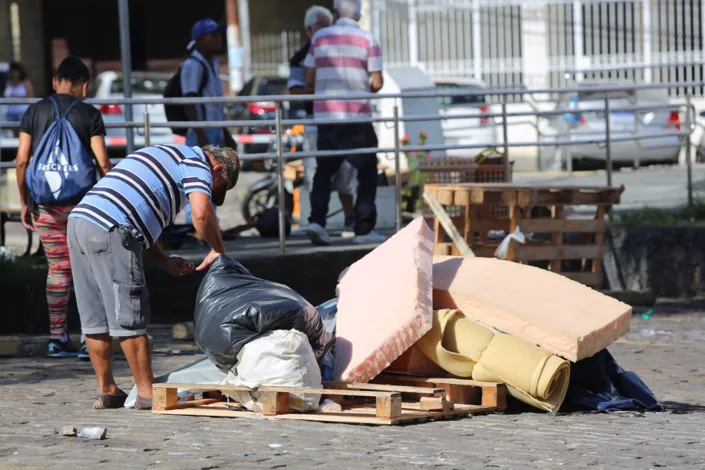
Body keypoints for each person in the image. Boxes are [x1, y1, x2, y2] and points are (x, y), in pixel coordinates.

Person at [67, 144, 240, 410]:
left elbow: (138, 220)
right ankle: (147, 393)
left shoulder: (166, 154)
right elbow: (201, 214)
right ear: (217, 169)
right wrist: (219, 249)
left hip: (80, 222)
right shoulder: (196, 163)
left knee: (95, 315)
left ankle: (108, 389)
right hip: (112, 227)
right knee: (129, 312)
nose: (209, 190)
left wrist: (163, 260)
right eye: (216, 186)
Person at [15, 56, 111, 359]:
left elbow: (21, 160)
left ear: (56, 82)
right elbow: (104, 162)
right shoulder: (89, 113)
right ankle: (89, 341)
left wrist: (24, 201)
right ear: (85, 85)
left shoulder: (34, 111)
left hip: (45, 205)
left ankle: (57, 338)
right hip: (83, 206)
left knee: (58, 269)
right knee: (89, 270)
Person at [299, 0, 387, 246]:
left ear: (336, 13)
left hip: (327, 118)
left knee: (323, 173)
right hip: (357, 118)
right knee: (366, 173)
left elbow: (308, 78)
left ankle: (317, 222)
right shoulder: (368, 39)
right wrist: (361, 88)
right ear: (358, 16)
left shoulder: (319, 39)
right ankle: (363, 229)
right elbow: (378, 83)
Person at [288, 5, 357, 238]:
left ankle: (350, 220)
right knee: (318, 174)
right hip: (316, 124)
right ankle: (318, 223)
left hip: (343, 120)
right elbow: (294, 90)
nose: (327, 32)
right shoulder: (299, 59)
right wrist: (320, 88)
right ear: (309, 30)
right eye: (321, 28)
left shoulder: (340, 49)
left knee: (347, 174)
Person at [180, 18, 237, 225]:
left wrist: (226, 133)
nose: (217, 39)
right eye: (212, 35)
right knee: (198, 179)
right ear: (201, 39)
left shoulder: (211, 62)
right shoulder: (193, 65)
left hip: (214, 129)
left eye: (218, 34)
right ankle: (193, 225)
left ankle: (209, 223)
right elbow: (189, 100)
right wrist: (200, 132)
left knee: (215, 179)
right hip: (202, 131)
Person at [4, 62, 35, 136]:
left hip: (22, 113)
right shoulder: (9, 82)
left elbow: (31, 95)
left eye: (16, 71)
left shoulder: (25, 82)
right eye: (13, 71)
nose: (14, 74)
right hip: (10, 112)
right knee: (12, 134)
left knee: (22, 133)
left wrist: (17, 97)